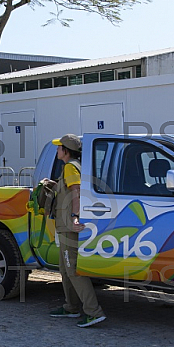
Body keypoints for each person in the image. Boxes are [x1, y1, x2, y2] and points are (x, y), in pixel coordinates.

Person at [46, 134, 106, 328]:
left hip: (68, 225)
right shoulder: (73, 167)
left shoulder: (70, 166)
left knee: (72, 269)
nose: (57, 150)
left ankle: (93, 311)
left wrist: (74, 217)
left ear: (66, 150)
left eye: (59, 147)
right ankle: (71, 307)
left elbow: (76, 191)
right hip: (64, 224)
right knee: (65, 268)